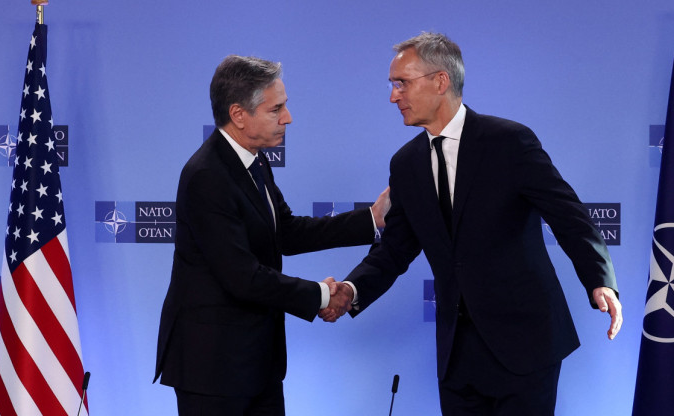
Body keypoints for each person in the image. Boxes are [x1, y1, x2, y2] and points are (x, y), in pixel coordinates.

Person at [322, 32, 622, 415]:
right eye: (392, 85)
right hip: (458, 357)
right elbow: (395, 248)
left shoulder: (509, 142)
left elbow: (570, 217)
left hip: (526, 344)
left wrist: (600, 281)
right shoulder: (406, 163)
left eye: (402, 83)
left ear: (440, 81)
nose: (393, 96)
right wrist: (351, 288)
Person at [154, 55, 389, 415]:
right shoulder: (207, 176)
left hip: (257, 363)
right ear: (238, 115)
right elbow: (242, 278)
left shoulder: (254, 159)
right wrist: (323, 295)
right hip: (213, 370)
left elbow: (287, 232)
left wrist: (370, 219)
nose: (287, 118)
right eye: (275, 109)